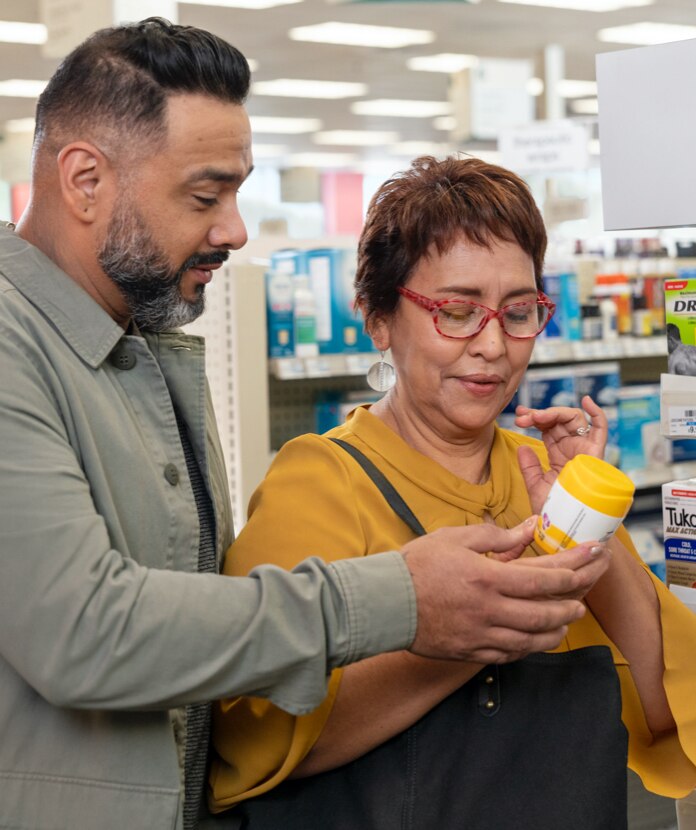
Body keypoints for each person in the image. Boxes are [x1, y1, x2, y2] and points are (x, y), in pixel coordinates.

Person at [0, 20, 614, 830]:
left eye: (238, 192)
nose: (235, 229)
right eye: (204, 194)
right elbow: (84, 630)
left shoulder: (141, 356)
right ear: (84, 180)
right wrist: (406, 601)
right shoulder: (19, 350)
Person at [211, 156, 696, 828]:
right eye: (458, 311)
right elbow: (252, 741)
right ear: (378, 318)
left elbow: (671, 711)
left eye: (519, 311)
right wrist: (472, 636)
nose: (494, 346)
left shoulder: (540, 475)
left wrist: (585, 523)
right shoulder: (320, 481)